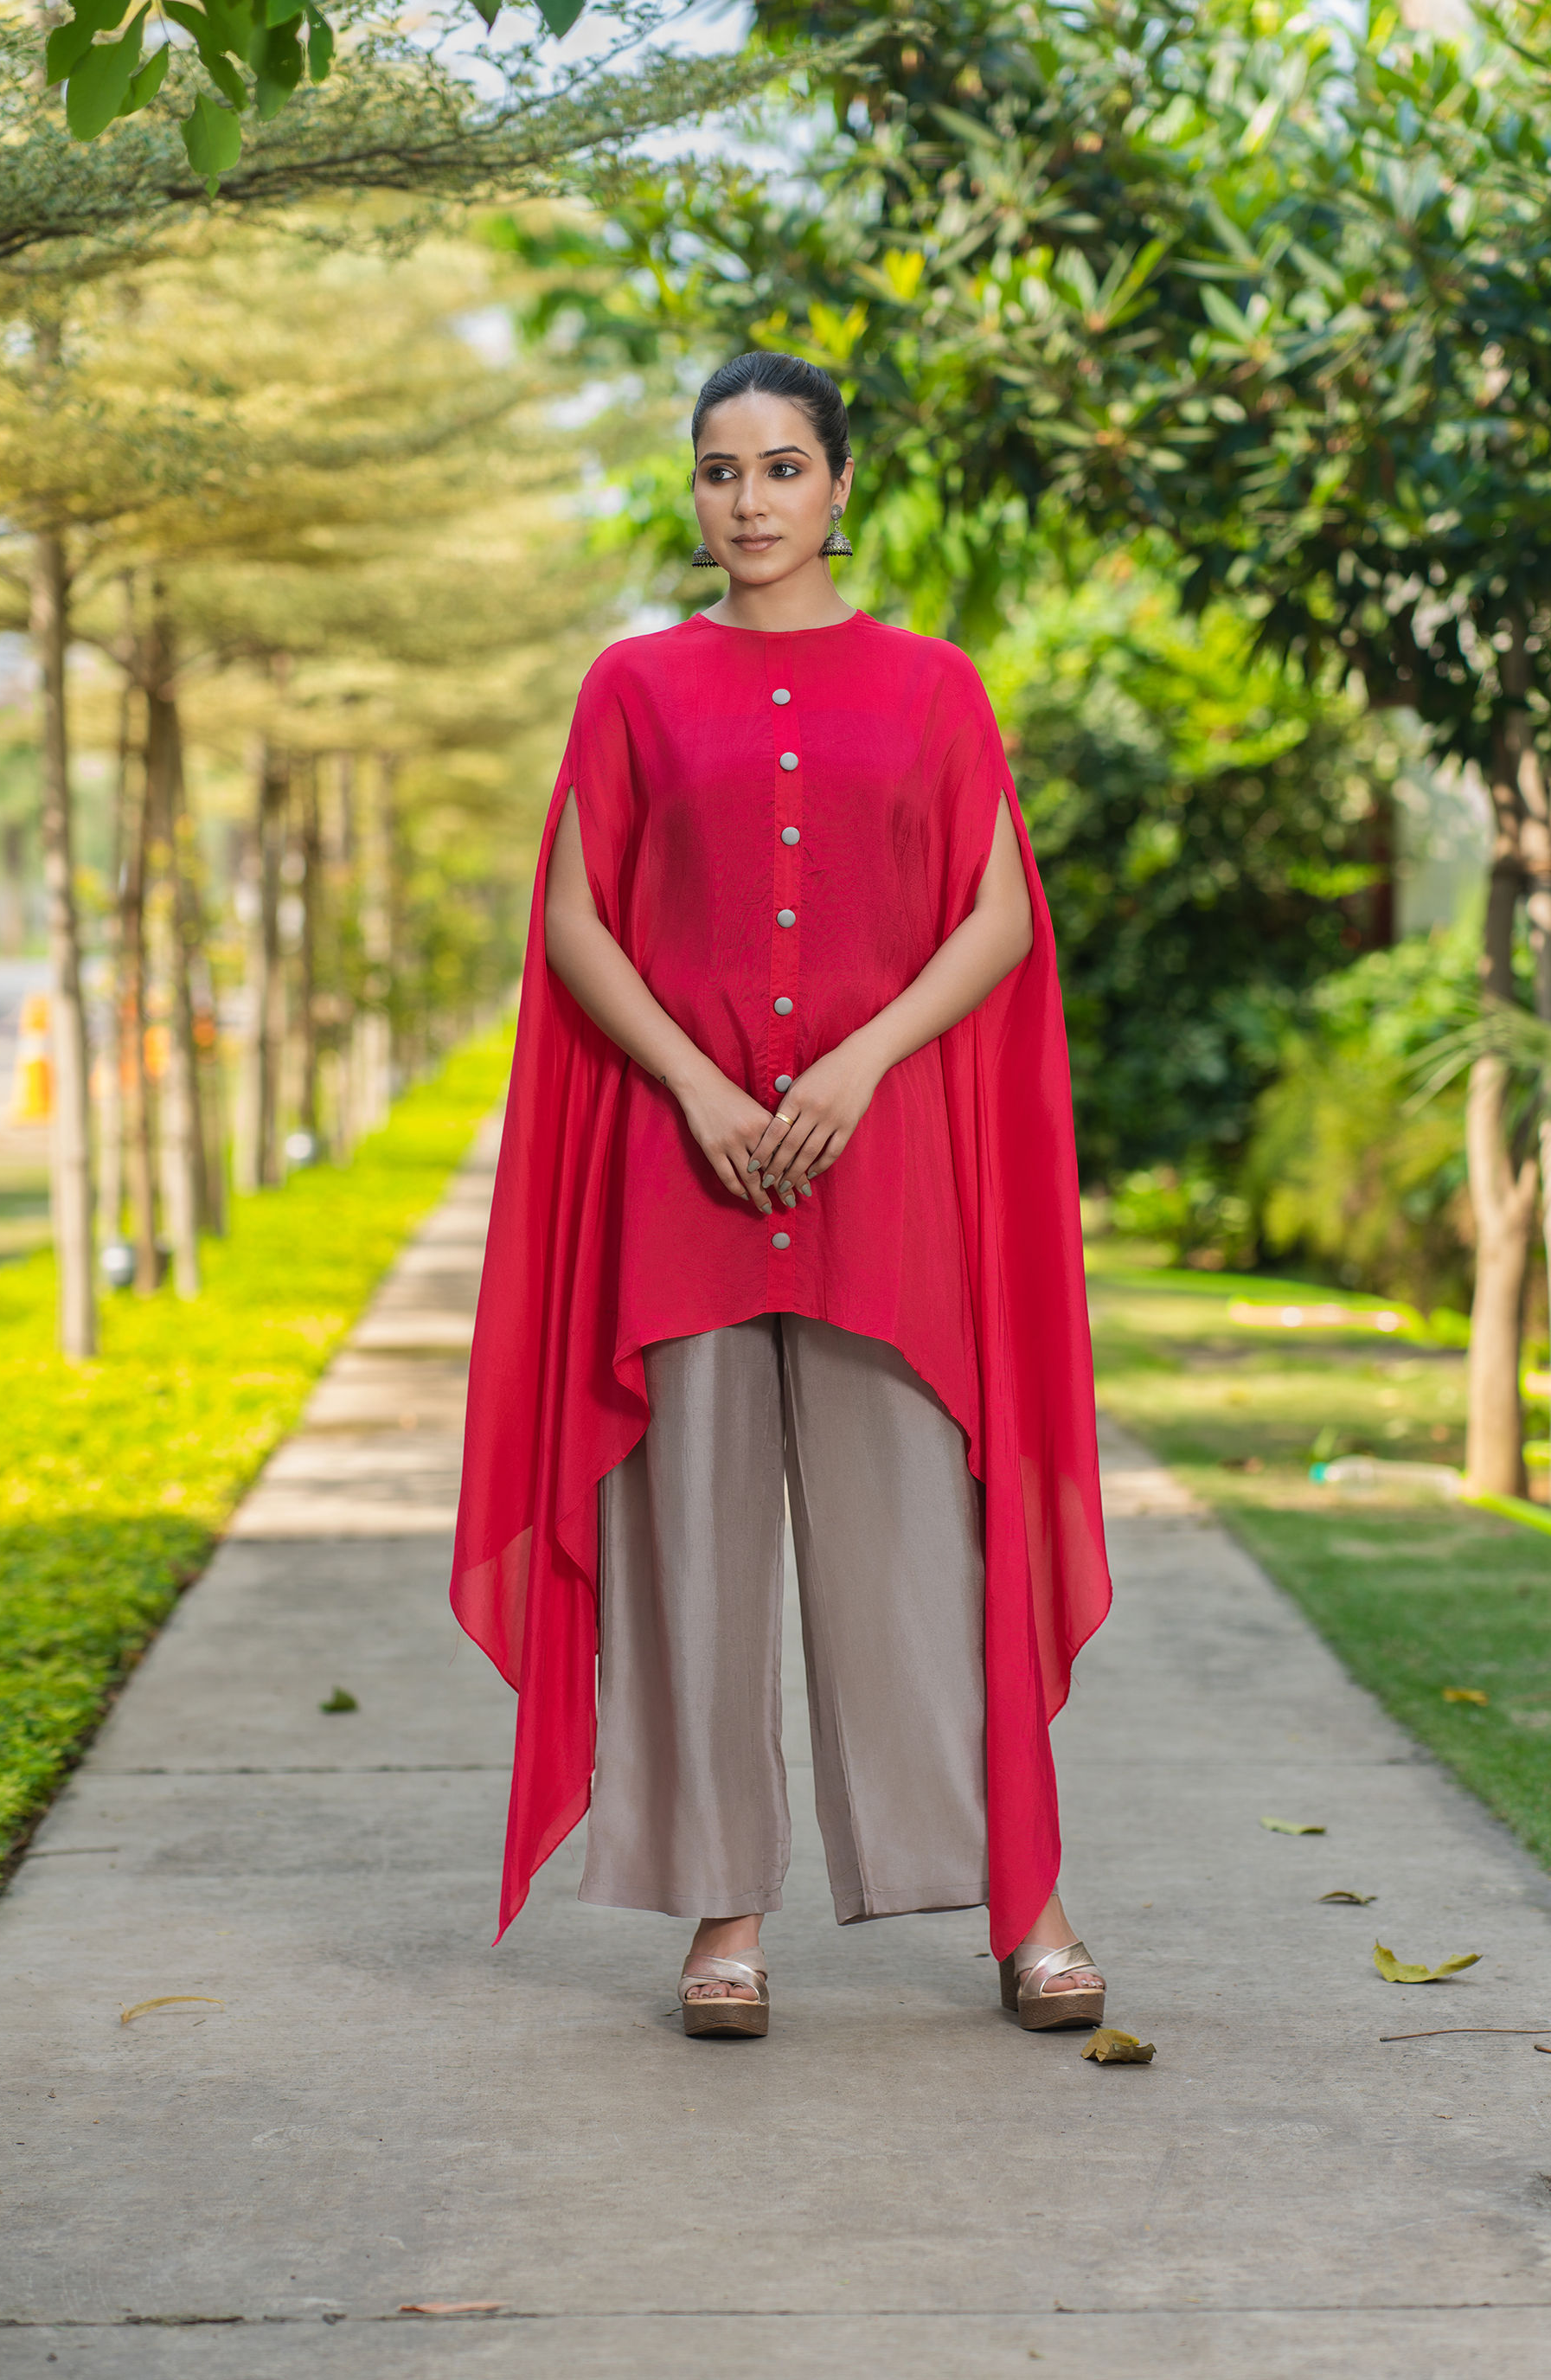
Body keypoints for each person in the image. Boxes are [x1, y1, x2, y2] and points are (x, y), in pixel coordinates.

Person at [452, 350, 1112, 2040]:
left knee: (919, 1546)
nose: (747, 501)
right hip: (687, 1171)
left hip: (877, 1166)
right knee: (693, 1550)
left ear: (840, 486)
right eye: (719, 472)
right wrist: (691, 1081)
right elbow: (579, 917)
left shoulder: (934, 685)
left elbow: (995, 918)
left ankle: (1021, 1907)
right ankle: (724, 1918)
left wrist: (855, 1068)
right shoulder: (633, 684)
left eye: (781, 467)